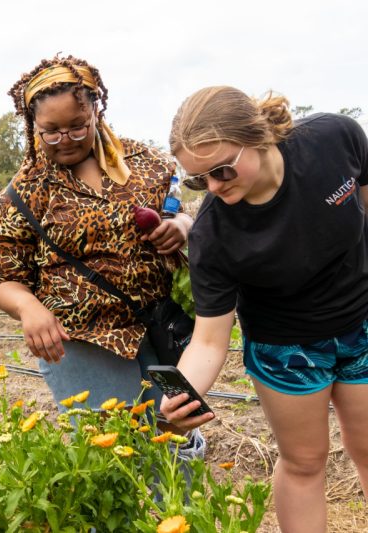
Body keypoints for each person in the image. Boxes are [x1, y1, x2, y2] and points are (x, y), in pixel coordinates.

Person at [161, 86, 368, 532]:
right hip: (286, 349)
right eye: (199, 179)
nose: (213, 187)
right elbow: (210, 340)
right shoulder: (213, 235)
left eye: (220, 170)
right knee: (305, 461)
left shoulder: (336, 139)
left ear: (257, 136)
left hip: (360, 322)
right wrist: (179, 395)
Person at [0, 54, 198, 431]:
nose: (64, 140)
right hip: (84, 339)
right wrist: (28, 307)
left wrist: (181, 224)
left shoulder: (147, 163)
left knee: (175, 437)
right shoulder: (21, 195)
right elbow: (5, 279)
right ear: (32, 124)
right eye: (51, 130)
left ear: (97, 112)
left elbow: (178, 210)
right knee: (116, 452)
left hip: (160, 326)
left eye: (78, 127)